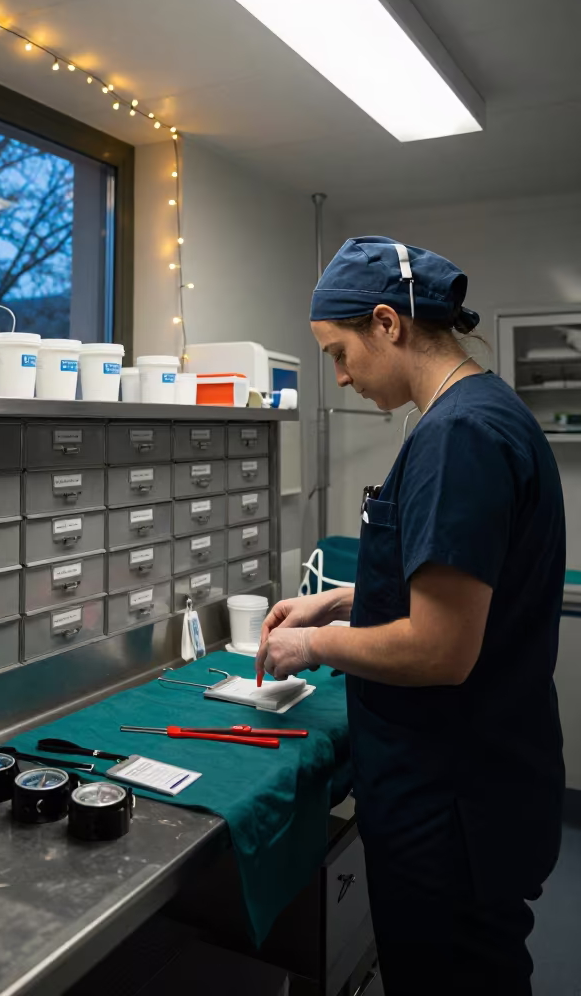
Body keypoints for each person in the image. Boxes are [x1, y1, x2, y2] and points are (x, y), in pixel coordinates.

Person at [256, 236, 565, 996]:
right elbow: (455, 590)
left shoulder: (457, 435)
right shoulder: (486, 413)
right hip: (479, 787)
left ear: (388, 324)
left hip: (453, 805)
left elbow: (440, 648)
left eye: (339, 352)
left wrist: (316, 643)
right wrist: (338, 598)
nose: (340, 376)